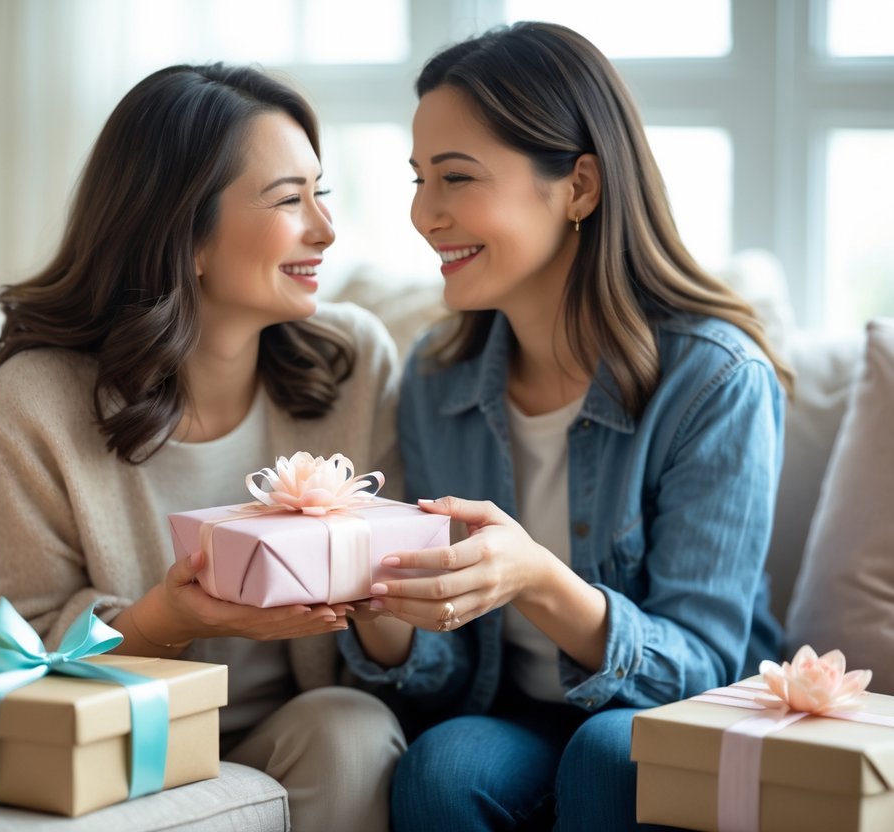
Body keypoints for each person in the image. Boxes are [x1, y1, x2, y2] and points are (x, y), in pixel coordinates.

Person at [335, 22, 793, 831]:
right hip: (514, 714)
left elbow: (704, 668)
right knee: (444, 768)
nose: (424, 213)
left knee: (612, 751)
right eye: (417, 179)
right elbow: (444, 679)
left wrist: (538, 580)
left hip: (674, 715)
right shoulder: (435, 379)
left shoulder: (716, 379)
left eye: (456, 177)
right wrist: (375, 614)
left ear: (578, 186)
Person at [0, 63, 405, 830]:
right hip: (116, 738)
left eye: (321, 193)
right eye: (289, 200)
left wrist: (385, 592)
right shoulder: (39, 401)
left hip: (290, 731)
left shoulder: (352, 359)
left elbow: (402, 643)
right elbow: (16, 658)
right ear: (183, 236)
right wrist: (173, 615)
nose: (324, 229)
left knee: (347, 727)